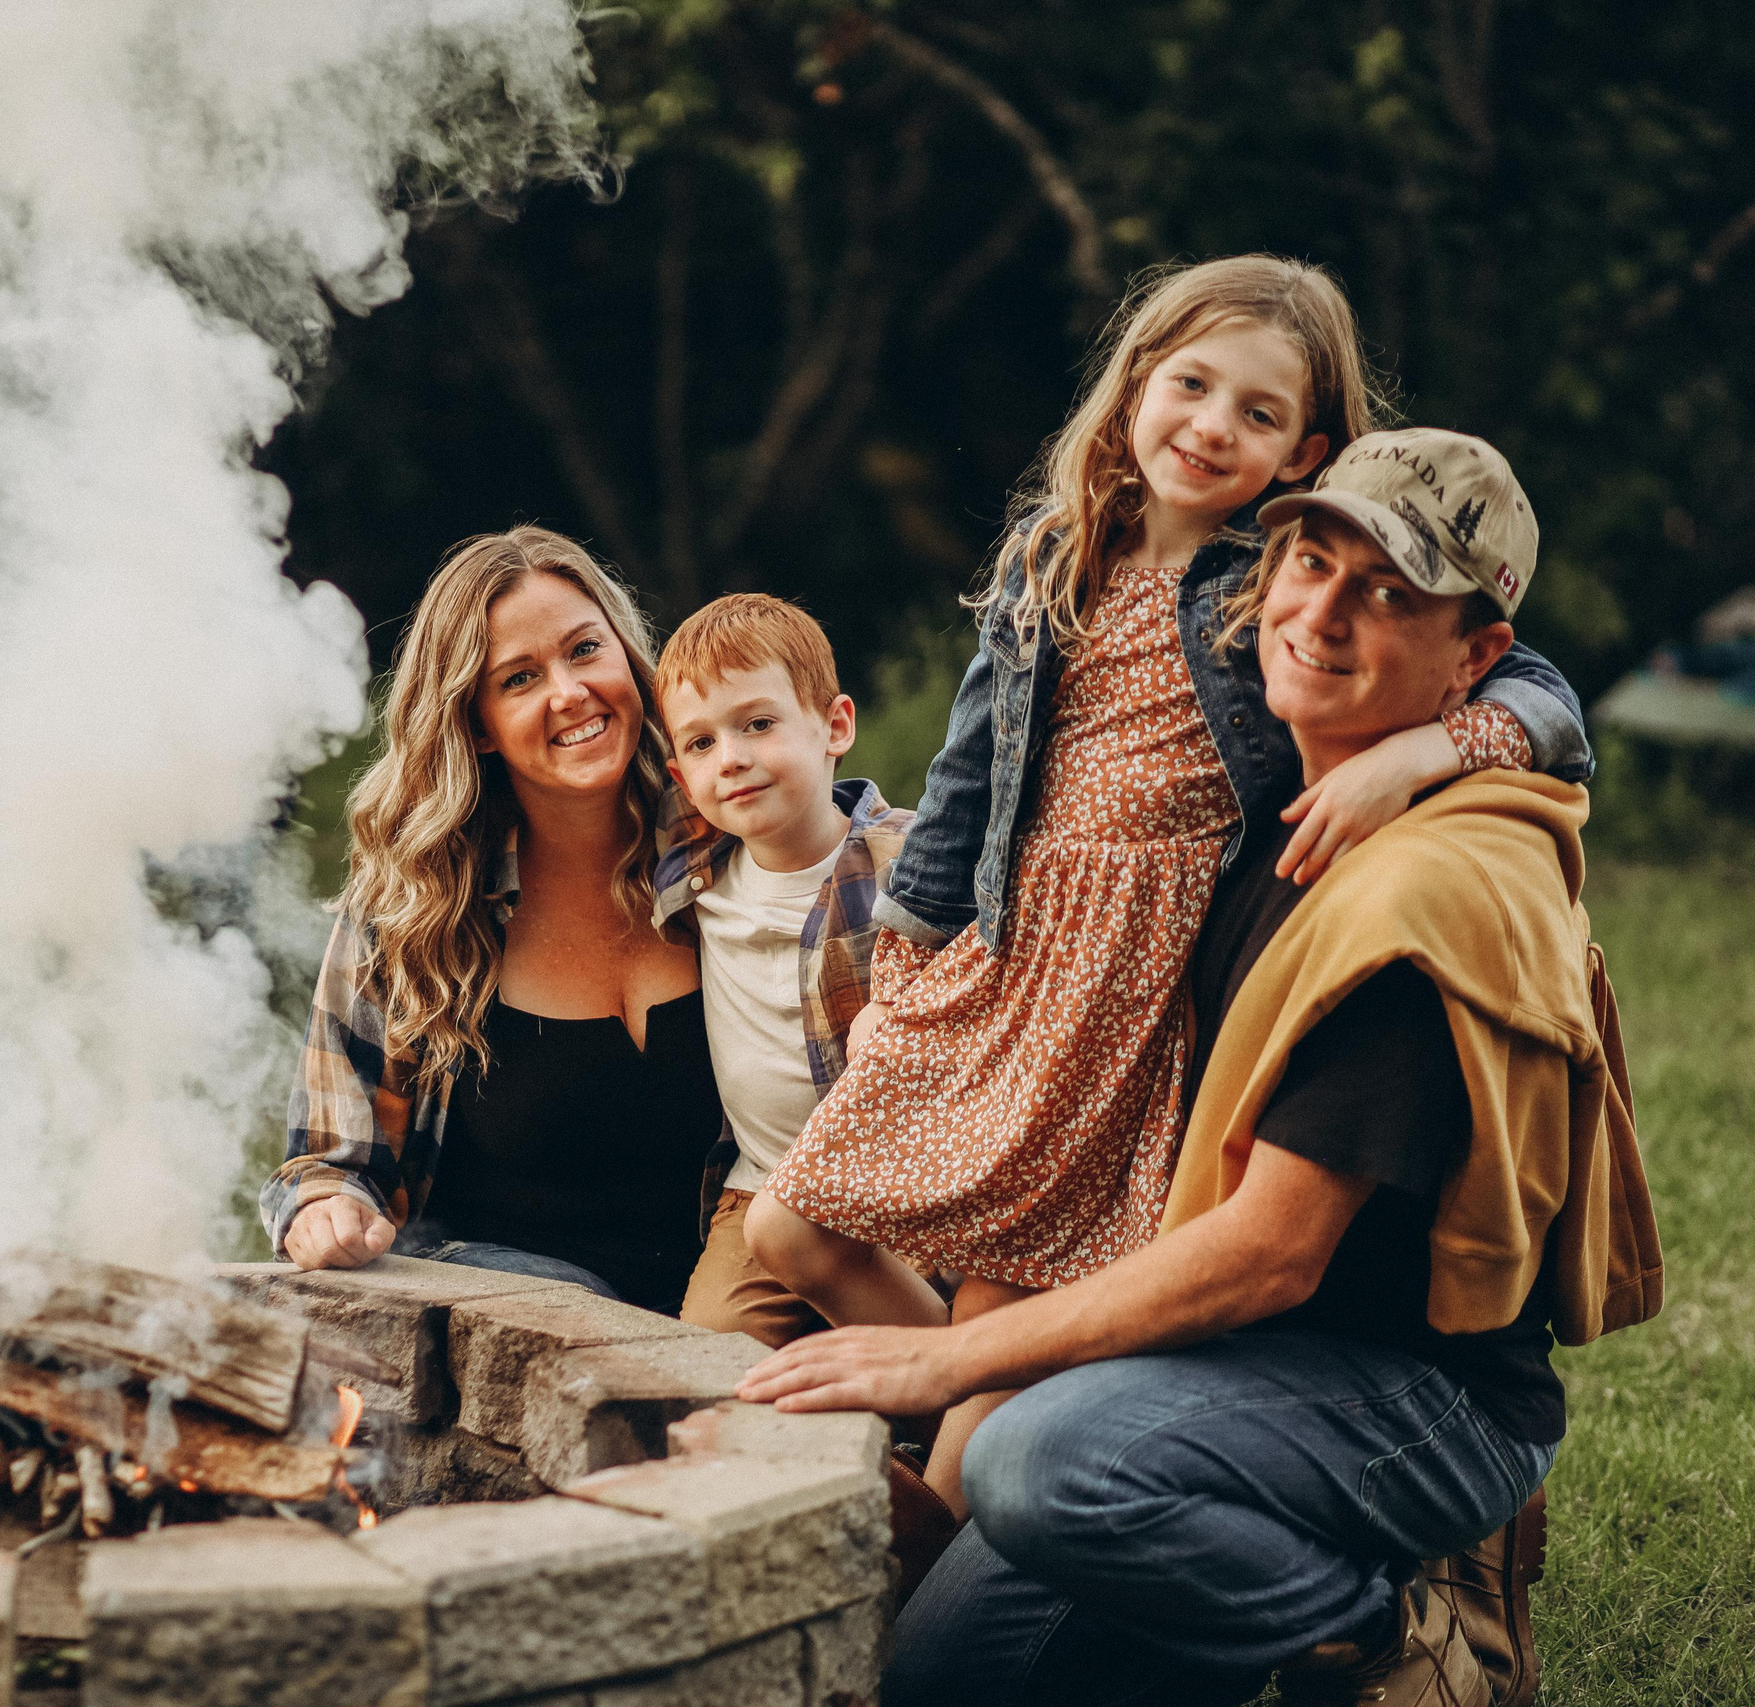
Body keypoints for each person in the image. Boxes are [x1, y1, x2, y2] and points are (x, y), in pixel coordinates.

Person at [737, 428, 1664, 1707]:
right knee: (938, 1679)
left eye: (1388, 595)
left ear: (1474, 663)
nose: (1322, 614)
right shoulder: (1264, 793)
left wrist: (949, 1365)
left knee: (1034, 1466)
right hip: (1225, 1374)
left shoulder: (1423, 899)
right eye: (1309, 561)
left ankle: (1379, 1618)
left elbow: (1271, 1252)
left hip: (1412, 1394)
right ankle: (1226, 1573)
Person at [743, 254, 1596, 1513]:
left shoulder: (1279, 568)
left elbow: (1540, 694)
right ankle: (938, 1384)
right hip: (1014, 954)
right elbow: (969, 772)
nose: (1211, 428)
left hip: (1136, 979)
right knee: (787, 1227)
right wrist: (906, 959)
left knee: (995, 1377)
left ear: (1303, 452)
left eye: (1257, 415)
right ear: (1136, 385)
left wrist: (1416, 755)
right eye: (1190, 386)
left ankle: (962, 1422)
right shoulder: (1055, 555)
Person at [261, 528, 723, 1313]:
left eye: (584, 649)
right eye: (519, 678)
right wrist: (320, 1211)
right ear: (476, 725)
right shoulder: (411, 909)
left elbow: (857, 841)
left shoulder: (728, 839)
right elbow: (326, 1164)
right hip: (509, 1350)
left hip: (746, 1318)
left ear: (627, 656)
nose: (569, 692)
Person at [649, 594, 915, 1347]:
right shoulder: (694, 874)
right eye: (700, 744)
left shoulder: (911, 862)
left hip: (895, 1188)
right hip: (759, 1183)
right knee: (708, 1357)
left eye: (757, 725)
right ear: (679, 772)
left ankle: (936, 1437)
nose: (729, 757)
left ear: (835, 725)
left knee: (919, 1353)